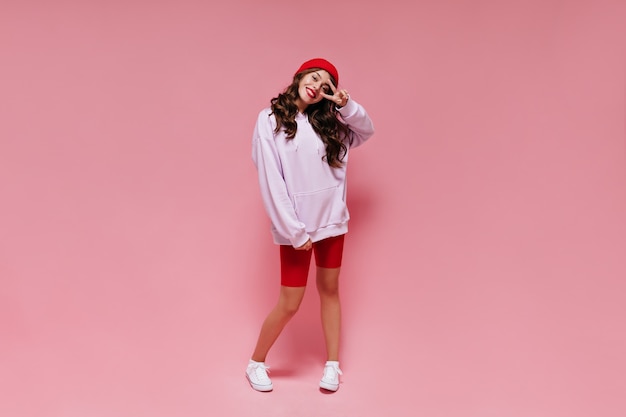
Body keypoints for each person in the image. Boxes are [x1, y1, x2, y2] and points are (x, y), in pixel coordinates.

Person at [246, 58, 374, 392]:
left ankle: (333, 366)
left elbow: (366, 130)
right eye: (314, 76)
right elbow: (271, 181)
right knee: (290, 302)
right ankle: (255, 363)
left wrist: (344, 104)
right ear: (300, 75)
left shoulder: (332, 126)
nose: (317, 84)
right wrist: (294, 230)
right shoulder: (269, 120)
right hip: (297, 229)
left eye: (326, 85)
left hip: (332, 223)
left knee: (330, 291)